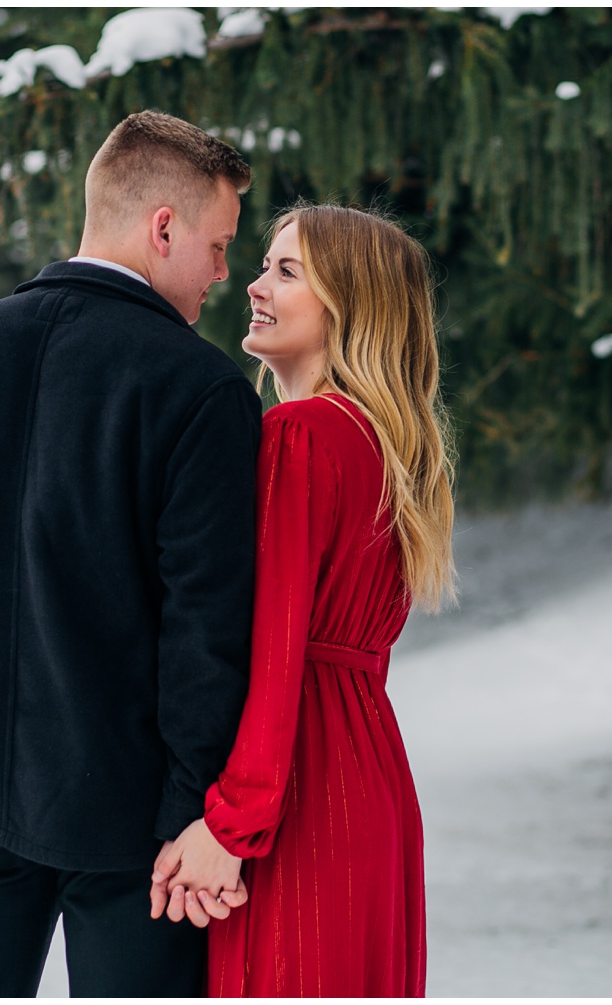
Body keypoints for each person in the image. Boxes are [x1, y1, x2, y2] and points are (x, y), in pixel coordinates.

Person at [0, 110, 260, 997]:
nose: (223, 271)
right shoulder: (200, 390)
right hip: (135, 815)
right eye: (219, 242)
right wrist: (193, 812)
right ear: (163, 227)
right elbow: (210, 627)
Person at [149, 203, 457, 997]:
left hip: (299, 793)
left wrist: (230, 825)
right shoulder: (384, 443)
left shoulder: (302, 436)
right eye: (263, 263)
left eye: (288, 272)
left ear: (348, 304)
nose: (253, 284)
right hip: (371, 778)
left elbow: (276, 654)